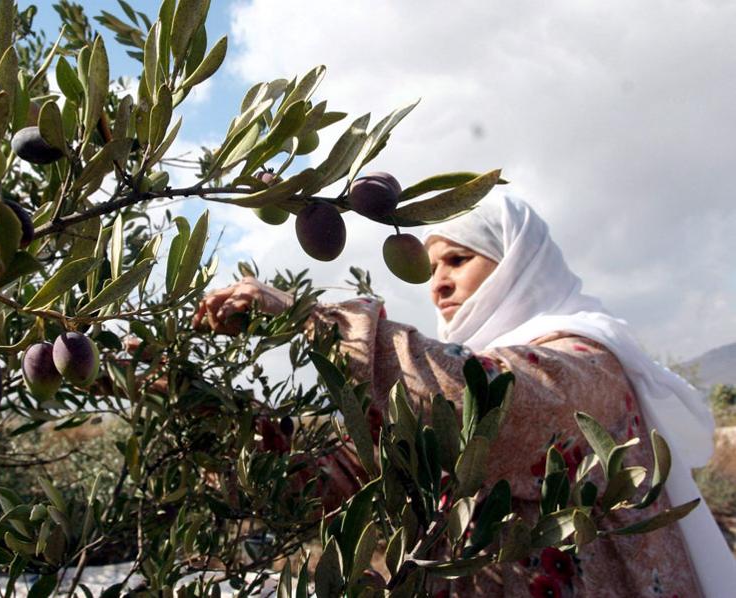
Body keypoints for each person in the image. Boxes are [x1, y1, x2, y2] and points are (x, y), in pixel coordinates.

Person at [193, 194, 736, 597]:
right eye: (431, 269)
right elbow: (347, 477)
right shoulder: (428, 397)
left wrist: (311, 319)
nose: (437, 285)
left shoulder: (586, 362)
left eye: (457, 260)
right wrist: (214, 419)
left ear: (517, 263)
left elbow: (483, 394)